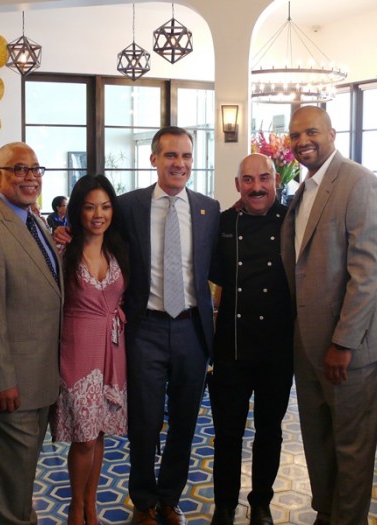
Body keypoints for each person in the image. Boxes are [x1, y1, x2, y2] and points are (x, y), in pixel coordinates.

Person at [280, 106, 377, 525]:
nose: (301, 141)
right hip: (310, 342)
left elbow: (368, 272)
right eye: (295, 136)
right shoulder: (305, 186)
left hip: (353, 347)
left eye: (311, 132)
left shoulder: (359, 182)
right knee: (318, 439)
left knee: (351, 447)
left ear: (332, 133)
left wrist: (343, 342)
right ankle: (326, 513)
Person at [120, 127, 219, 525]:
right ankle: (143, 500)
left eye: (186, 157)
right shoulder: (128, 207)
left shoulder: (208, 209)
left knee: (185, 420)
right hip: (145, 327)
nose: (180, 164)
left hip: (192, 330)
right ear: (154, 159)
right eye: (171, 156)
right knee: (143, 420)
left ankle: (170, 498)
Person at [0, 142, 63, 525]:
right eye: (19, 169)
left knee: (9, 487)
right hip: (11, 387)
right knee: (15, 499)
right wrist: (1, 379)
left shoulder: (34, 220)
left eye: (36, 169)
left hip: (39, 378)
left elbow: (45, 287)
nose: (30, 177)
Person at [208, 154, 293, 525]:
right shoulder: (222, 224)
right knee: (227, 433)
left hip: (279, 348)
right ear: (237, 184)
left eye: (263, 179)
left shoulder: (293, 221)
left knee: (269, 431)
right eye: (248, 180)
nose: (256, 187)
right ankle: (224, 505)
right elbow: (208, 282)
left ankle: (261, 503)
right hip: (231, 348)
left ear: (275, 179)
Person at [49, 174, 130, 525]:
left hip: (113, 350)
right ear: (77, 210)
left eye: (106, 206)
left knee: (99, 435)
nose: (99, 214)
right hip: (77, 351)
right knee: (83, 437)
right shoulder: (62, 251)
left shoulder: (118, 249)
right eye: (90, 206)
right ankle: (75, 507)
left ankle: (91, 503)